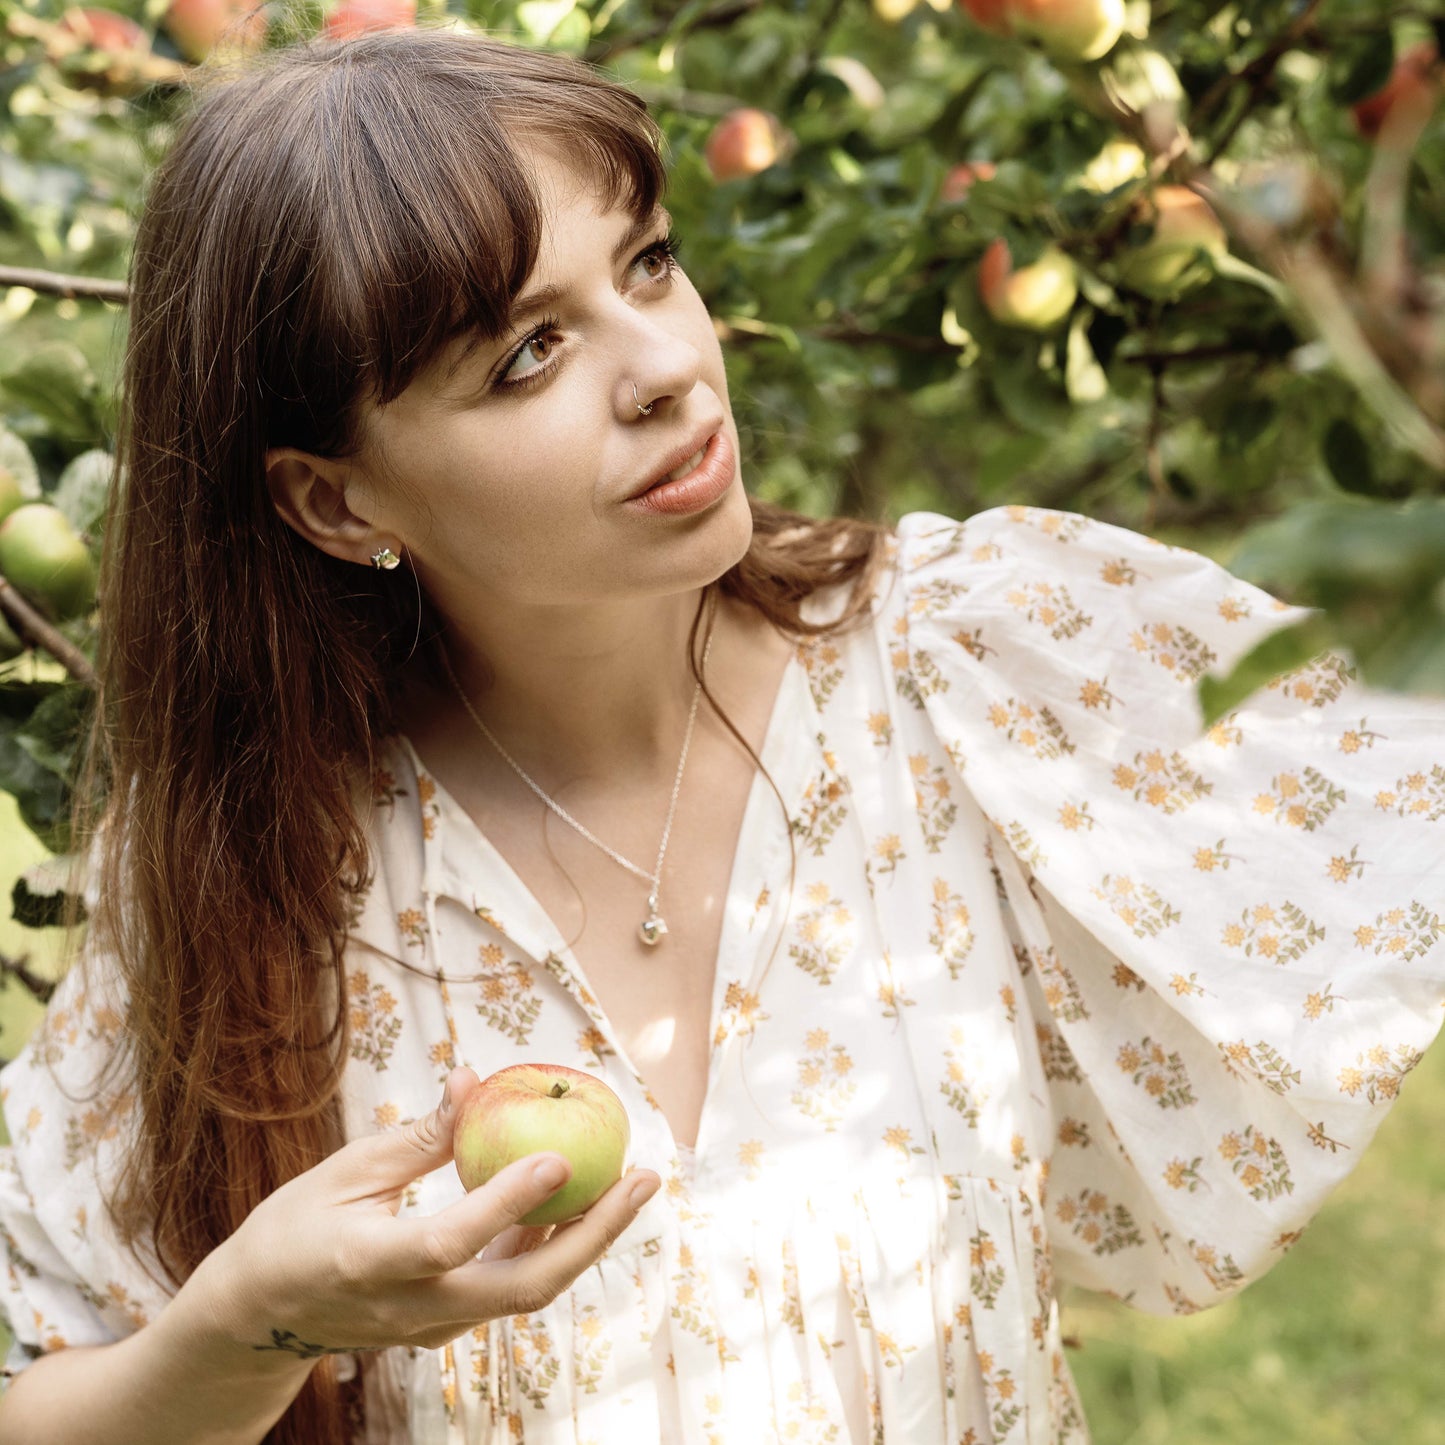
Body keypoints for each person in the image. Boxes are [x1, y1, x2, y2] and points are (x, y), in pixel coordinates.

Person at [1, 26, 1442, 1445]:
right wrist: (252, 1320)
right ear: (335, 503)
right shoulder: (264, 873)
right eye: (524, 354)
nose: (666, 368)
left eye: (647, 262)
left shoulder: (963, 669)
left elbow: (1403, 811)